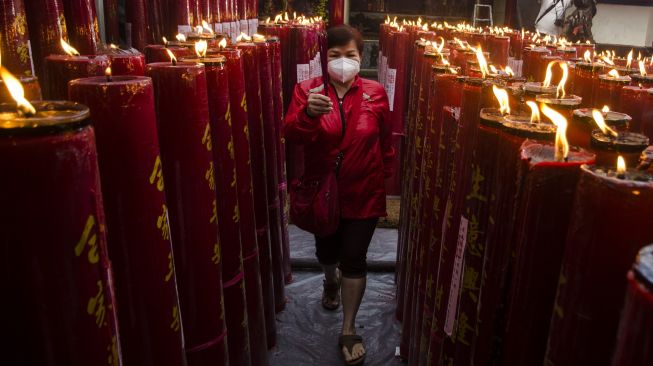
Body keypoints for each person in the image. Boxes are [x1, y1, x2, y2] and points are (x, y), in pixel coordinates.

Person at [284, 24, 395, 365]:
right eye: (335, 56)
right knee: (327, 250)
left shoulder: (376, 93)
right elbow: (291, 134)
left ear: (362, 58)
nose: (343, 62)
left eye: (350, 55)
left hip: (364, 191)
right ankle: (329, 281)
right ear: (323, 58)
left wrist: (385, 190)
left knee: (355, 257)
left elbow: (386, 145)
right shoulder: (308, 91)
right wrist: (307, 115)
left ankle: (348, 328)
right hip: (323, 193)